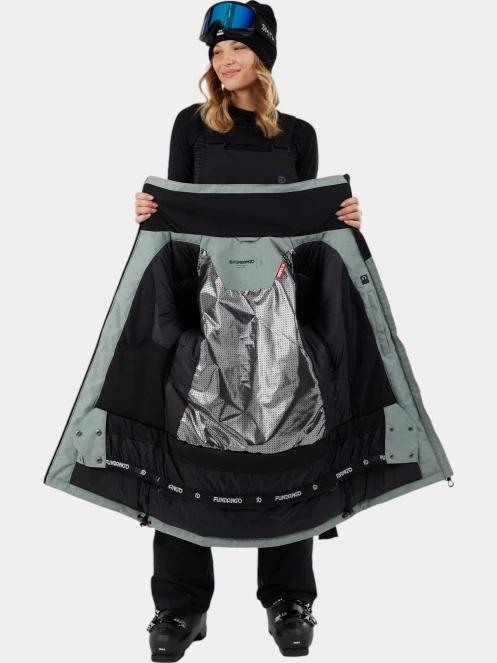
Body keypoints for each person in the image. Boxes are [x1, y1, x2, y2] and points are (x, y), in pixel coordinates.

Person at [134, 3, 363, 660]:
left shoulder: (297, 135)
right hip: (204, 308)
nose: (224, 60)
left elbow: (307, 232)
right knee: (186, 441)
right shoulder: (192, 126)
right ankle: (181, 606)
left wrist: (342, 218)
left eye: (236, 48)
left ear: (262, 56)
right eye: (215, 51)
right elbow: (176, 222)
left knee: (288, 439)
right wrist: (150, 210)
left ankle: (288, 598)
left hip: (280, 315)